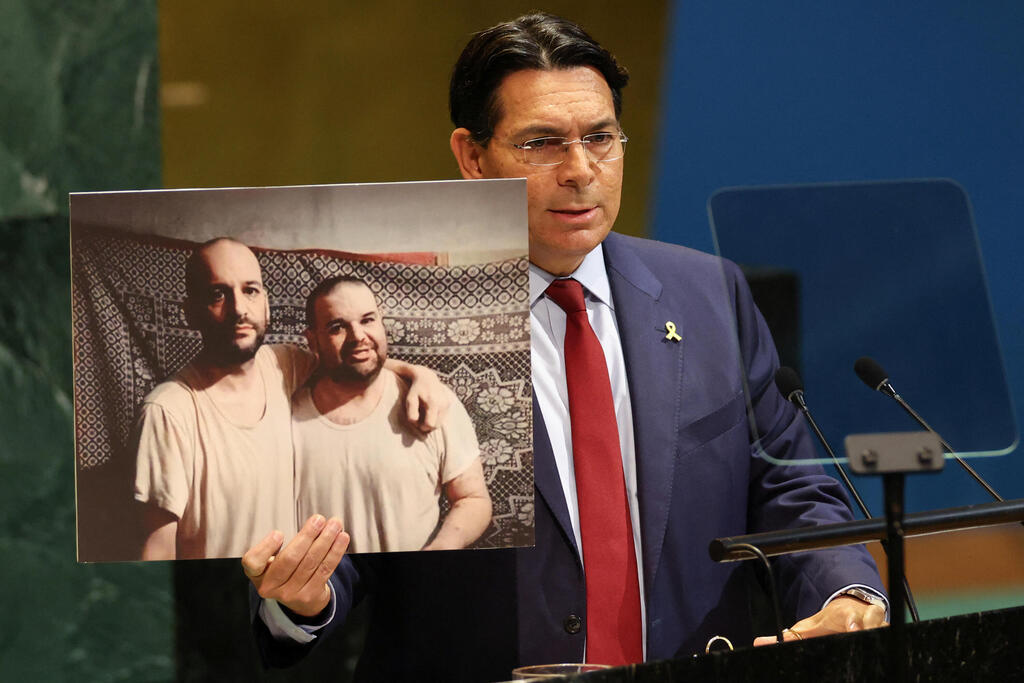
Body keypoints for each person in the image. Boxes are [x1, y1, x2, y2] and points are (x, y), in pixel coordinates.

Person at [243, 13, 887, 680]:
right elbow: (341, 538)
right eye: (541, 143)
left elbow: (790, 486)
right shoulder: (386, 326)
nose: (580, 170)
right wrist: (305, 594)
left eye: (600, 138)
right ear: (471, 155)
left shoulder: (709, 294)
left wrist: (846, 591)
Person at [132, 237, 448, 560]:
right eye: (217, 294)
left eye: (250, 290)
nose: (239, 309)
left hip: (288, 601)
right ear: (192, 313)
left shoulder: (282, 366)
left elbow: (352, 357)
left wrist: (421, 375)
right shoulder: (169, 412)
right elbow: (157, 550)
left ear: (266, 304)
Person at [293, 276, 490, 552]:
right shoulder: (284, 416)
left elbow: (473, 499)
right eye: (337, 327)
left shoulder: (433, 401)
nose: (358, 336)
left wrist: (440, 551)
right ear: (312, 340)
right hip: (325, 590)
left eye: (368, 320)